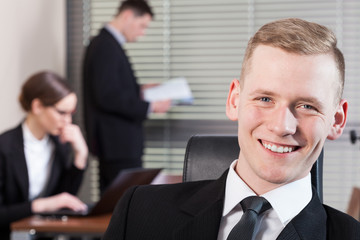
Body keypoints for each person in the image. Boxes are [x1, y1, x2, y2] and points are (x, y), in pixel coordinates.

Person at [103, 18, 360, 240]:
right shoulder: (139, 212)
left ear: (336, 120)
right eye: (265, 99)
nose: (282, 126)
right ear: (234, 101)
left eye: (306, 106)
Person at [82, 0, 171, 194]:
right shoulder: (105, 46)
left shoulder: (107, 44)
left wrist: (139, 90)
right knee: (123, 206)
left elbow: (110, 88)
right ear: (127, 16)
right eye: (142, 26)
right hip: (117, 146)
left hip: (116, 145)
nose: (142, 33)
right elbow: (106, 96)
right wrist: (150, 106)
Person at [0, 71, 89, 240]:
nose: (68, 121)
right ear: (37, 106)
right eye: (62, 113)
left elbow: (65, 200)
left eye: (71, 113)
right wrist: (41, 205)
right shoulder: (4, 146)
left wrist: (80, 155)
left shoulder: (59, 145)